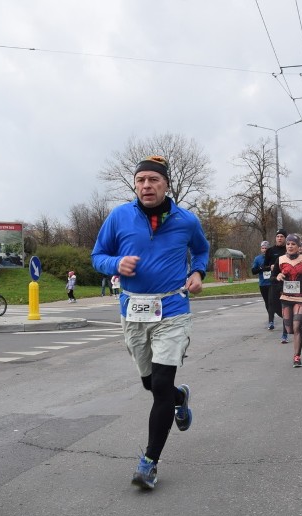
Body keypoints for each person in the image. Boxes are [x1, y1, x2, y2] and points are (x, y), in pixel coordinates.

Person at [91, 155, 208, 490]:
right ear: (135, 184)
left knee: (159, 385)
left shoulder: (186, 220)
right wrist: (115, 263)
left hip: (172, 308)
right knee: (150, 384)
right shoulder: (118, 217)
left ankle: (149, 463)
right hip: (134, 310)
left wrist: (198, 272)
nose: (146, 186)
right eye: (141, 180)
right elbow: (97, 256)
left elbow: (201, 251)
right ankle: (179, 398)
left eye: (153, 180)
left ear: (166, 184)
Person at [272, 234, 302, 367]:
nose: (290, 246)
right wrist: (277, 276)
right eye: (288, 244)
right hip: (286, 297)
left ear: (298, 247)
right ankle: (299, 332)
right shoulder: (280, 259)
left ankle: (297, 357)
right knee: (289, 329)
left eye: (293, 244)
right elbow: (272, 277)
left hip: (301, 297)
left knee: (296, 326)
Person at [263, 229, 288, 341]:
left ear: (285, 238)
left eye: (282, 236)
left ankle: (285, 333)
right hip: (274, 280)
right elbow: (265, 266)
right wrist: (271, 267)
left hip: (287, 282)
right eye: (278, 236)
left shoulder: (289, 249)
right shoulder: (270, 251)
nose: (279, 238)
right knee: (273, 304)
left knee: (286, 306)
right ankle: (287, 318)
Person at [251, 240, 273, 328]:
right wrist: (261, 268)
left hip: (272, 283)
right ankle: (271, 319)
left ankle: (272, 319)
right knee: (267, 303)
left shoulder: (273, 258)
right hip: (263, 284)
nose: (264, 250)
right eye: (262, 248)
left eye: (266, 248)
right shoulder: (257, 259)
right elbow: (253, 271)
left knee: (272, 302)